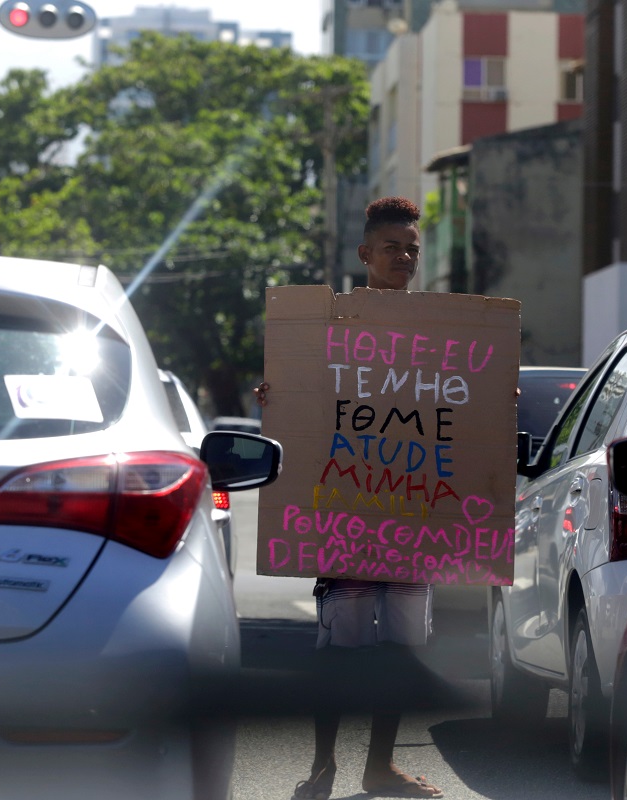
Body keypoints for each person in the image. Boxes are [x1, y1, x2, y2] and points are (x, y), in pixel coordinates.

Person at [254, 197, 443, 800]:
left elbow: (456, 408)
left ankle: (379, 769)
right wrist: (274, 395)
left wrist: (491, 399)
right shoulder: (328, 326)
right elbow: (307, 402)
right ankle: (322, 766)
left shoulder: (442, 331)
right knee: (340, 653)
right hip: (346, 522)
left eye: (413, 248)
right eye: (393, 247)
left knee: (402, 654)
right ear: (365, 254)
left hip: (413, 520)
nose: (405, 257)